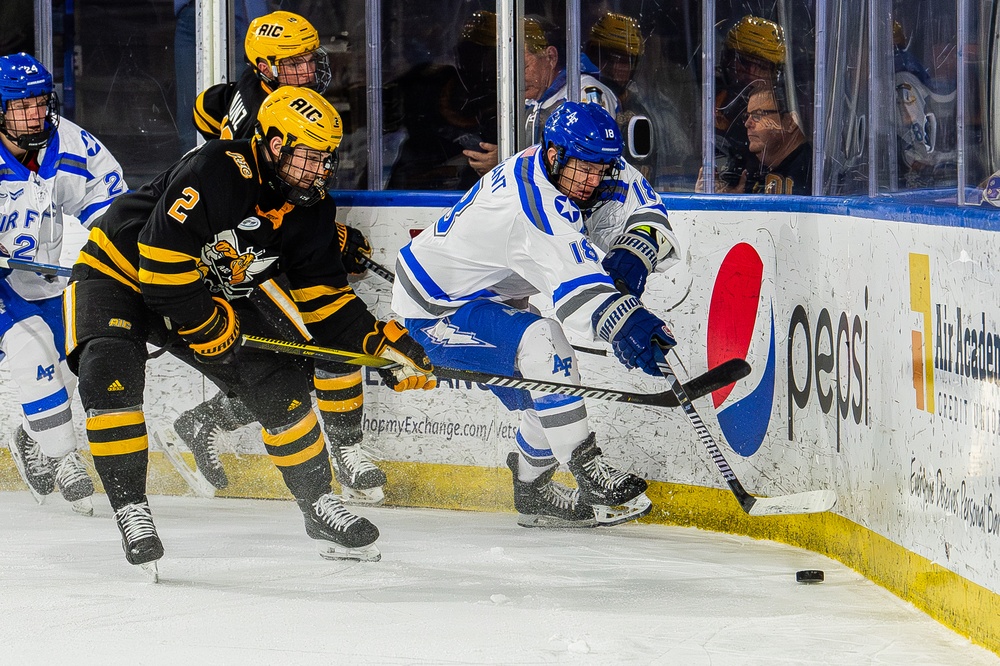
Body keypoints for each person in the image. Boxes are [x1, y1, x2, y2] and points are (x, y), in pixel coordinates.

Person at [65, 86, 436, 573]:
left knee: (279, 382)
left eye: (326, 159)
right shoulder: (220, 168)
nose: (319, 171)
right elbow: (160, 256)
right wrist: (203, 325)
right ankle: (132, 508)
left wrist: (382, 345)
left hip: (204, 292)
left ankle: (318, 504)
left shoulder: (312, 208)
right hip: (121, 273)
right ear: (275, 145)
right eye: (308, 158)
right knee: (109, 369)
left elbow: (325, 299)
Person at [392, 101, 680, 528]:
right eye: (582, 168)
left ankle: (532, 488)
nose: (591, 181)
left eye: (600, 169)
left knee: (547, 389)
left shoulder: (592, 164)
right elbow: (578, 290)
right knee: (546, 343)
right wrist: (628, 325)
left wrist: (634, 253)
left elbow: (647, 210)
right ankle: (588, 470)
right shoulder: (530, 203)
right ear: (553, 153)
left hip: (492, 297)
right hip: (437, 310)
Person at [182, 10, 387, 506]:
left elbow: (205, 108)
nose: (309, 68)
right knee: (308, 346)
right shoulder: (263, 115)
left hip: (259, 237)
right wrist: (331, 238)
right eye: (294, 61)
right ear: (265, 66)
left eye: (310, 57)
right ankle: (341, 447)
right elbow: (263, 201)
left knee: (324, 334)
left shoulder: (255, 97)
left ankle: (343, 446)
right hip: (242, 250)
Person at [0, 53, 123, 516]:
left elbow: (108, 204)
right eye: (20, 106)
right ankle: (64, 456)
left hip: (44, 278)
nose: (35, 114)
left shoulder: (70, 142)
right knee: (29, 347)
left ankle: (34, 438)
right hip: (2, 284)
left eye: (40, 102)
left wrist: (121, 253)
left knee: (71, 355)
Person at [463, 15, 620, 177]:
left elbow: (587, 172)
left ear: (551, 57)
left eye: (522, 67)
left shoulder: (584, 94)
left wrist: (506, 165)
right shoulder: (531, 99)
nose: (514, 78)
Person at [698, 81, 811, 194]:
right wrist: (731, 199)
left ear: (790, 122)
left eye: (758, 115)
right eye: (747, 116)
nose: (747, 123)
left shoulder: (811, 171)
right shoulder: (755, 168)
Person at [585, 12, 657, 179]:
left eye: (625, 61)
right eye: (608, 58)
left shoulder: (639, 112)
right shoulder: (581, 98)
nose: (617, 67)